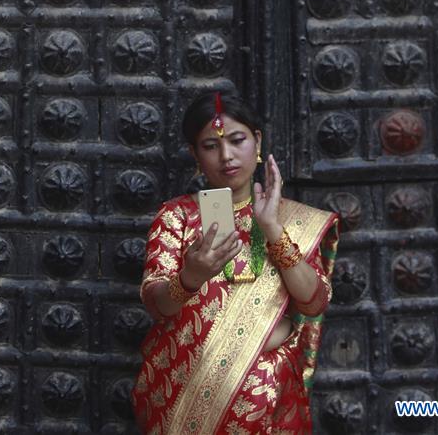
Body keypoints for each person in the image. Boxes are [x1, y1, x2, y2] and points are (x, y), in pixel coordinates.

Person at [131, 91, 339, 434]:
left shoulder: (292, 219)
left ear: (257, 141)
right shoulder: (177, 216)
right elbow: (157, 305)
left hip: (270, 397)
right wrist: (191, 277)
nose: (226, 155)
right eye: (210, 146)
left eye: (237, 140)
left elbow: (314, 302)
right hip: (187, 395)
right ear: (195, 154)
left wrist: (272, 230)